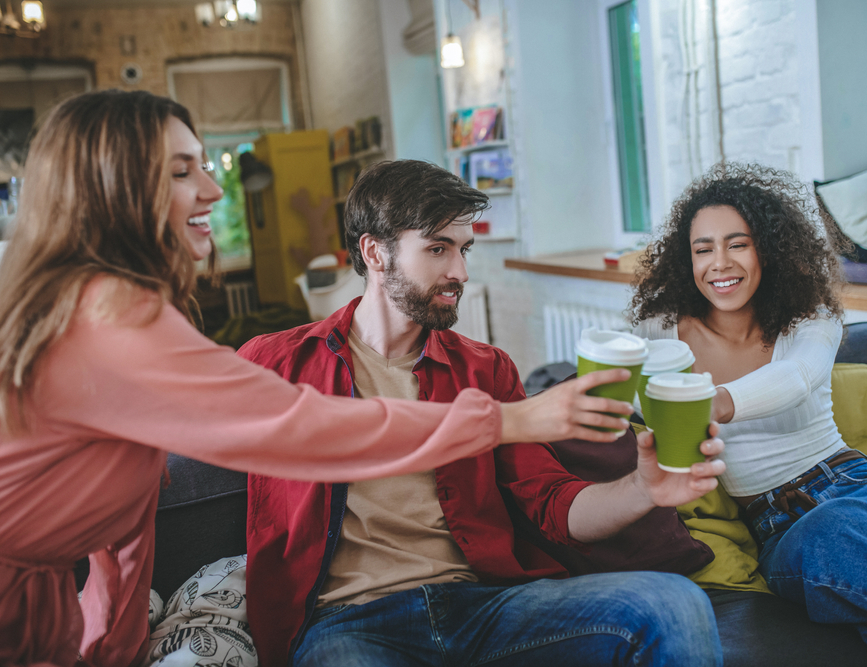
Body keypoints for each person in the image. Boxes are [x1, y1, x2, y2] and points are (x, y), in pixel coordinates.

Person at [0, 91, 638, 667]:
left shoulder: (106, 312)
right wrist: (507, 418)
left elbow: (123, 531)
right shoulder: (112, 317)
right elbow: (302, 428)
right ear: (115, 186)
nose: (214, 189)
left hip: (24, 616)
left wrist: (108, 642)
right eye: (181, 171)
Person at [238, 159, 728, 667]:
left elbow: (552, 506)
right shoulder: (275, 363)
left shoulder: (485, 369)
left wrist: (643, 490)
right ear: (374, 252)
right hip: (350, 623)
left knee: (673, 604)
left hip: (482, 607)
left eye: (463, 249)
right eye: (437, 249)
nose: (461, 272)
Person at [630, 162, 867, 667]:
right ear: (686, 258)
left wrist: (711, 400)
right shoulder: (663, 328)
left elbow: (798, 378)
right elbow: (638, 404)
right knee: (843, 528)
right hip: (786, 527)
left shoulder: (811, 316)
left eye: (738, 243)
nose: (720, 262)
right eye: (703, 249)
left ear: (770, 248)